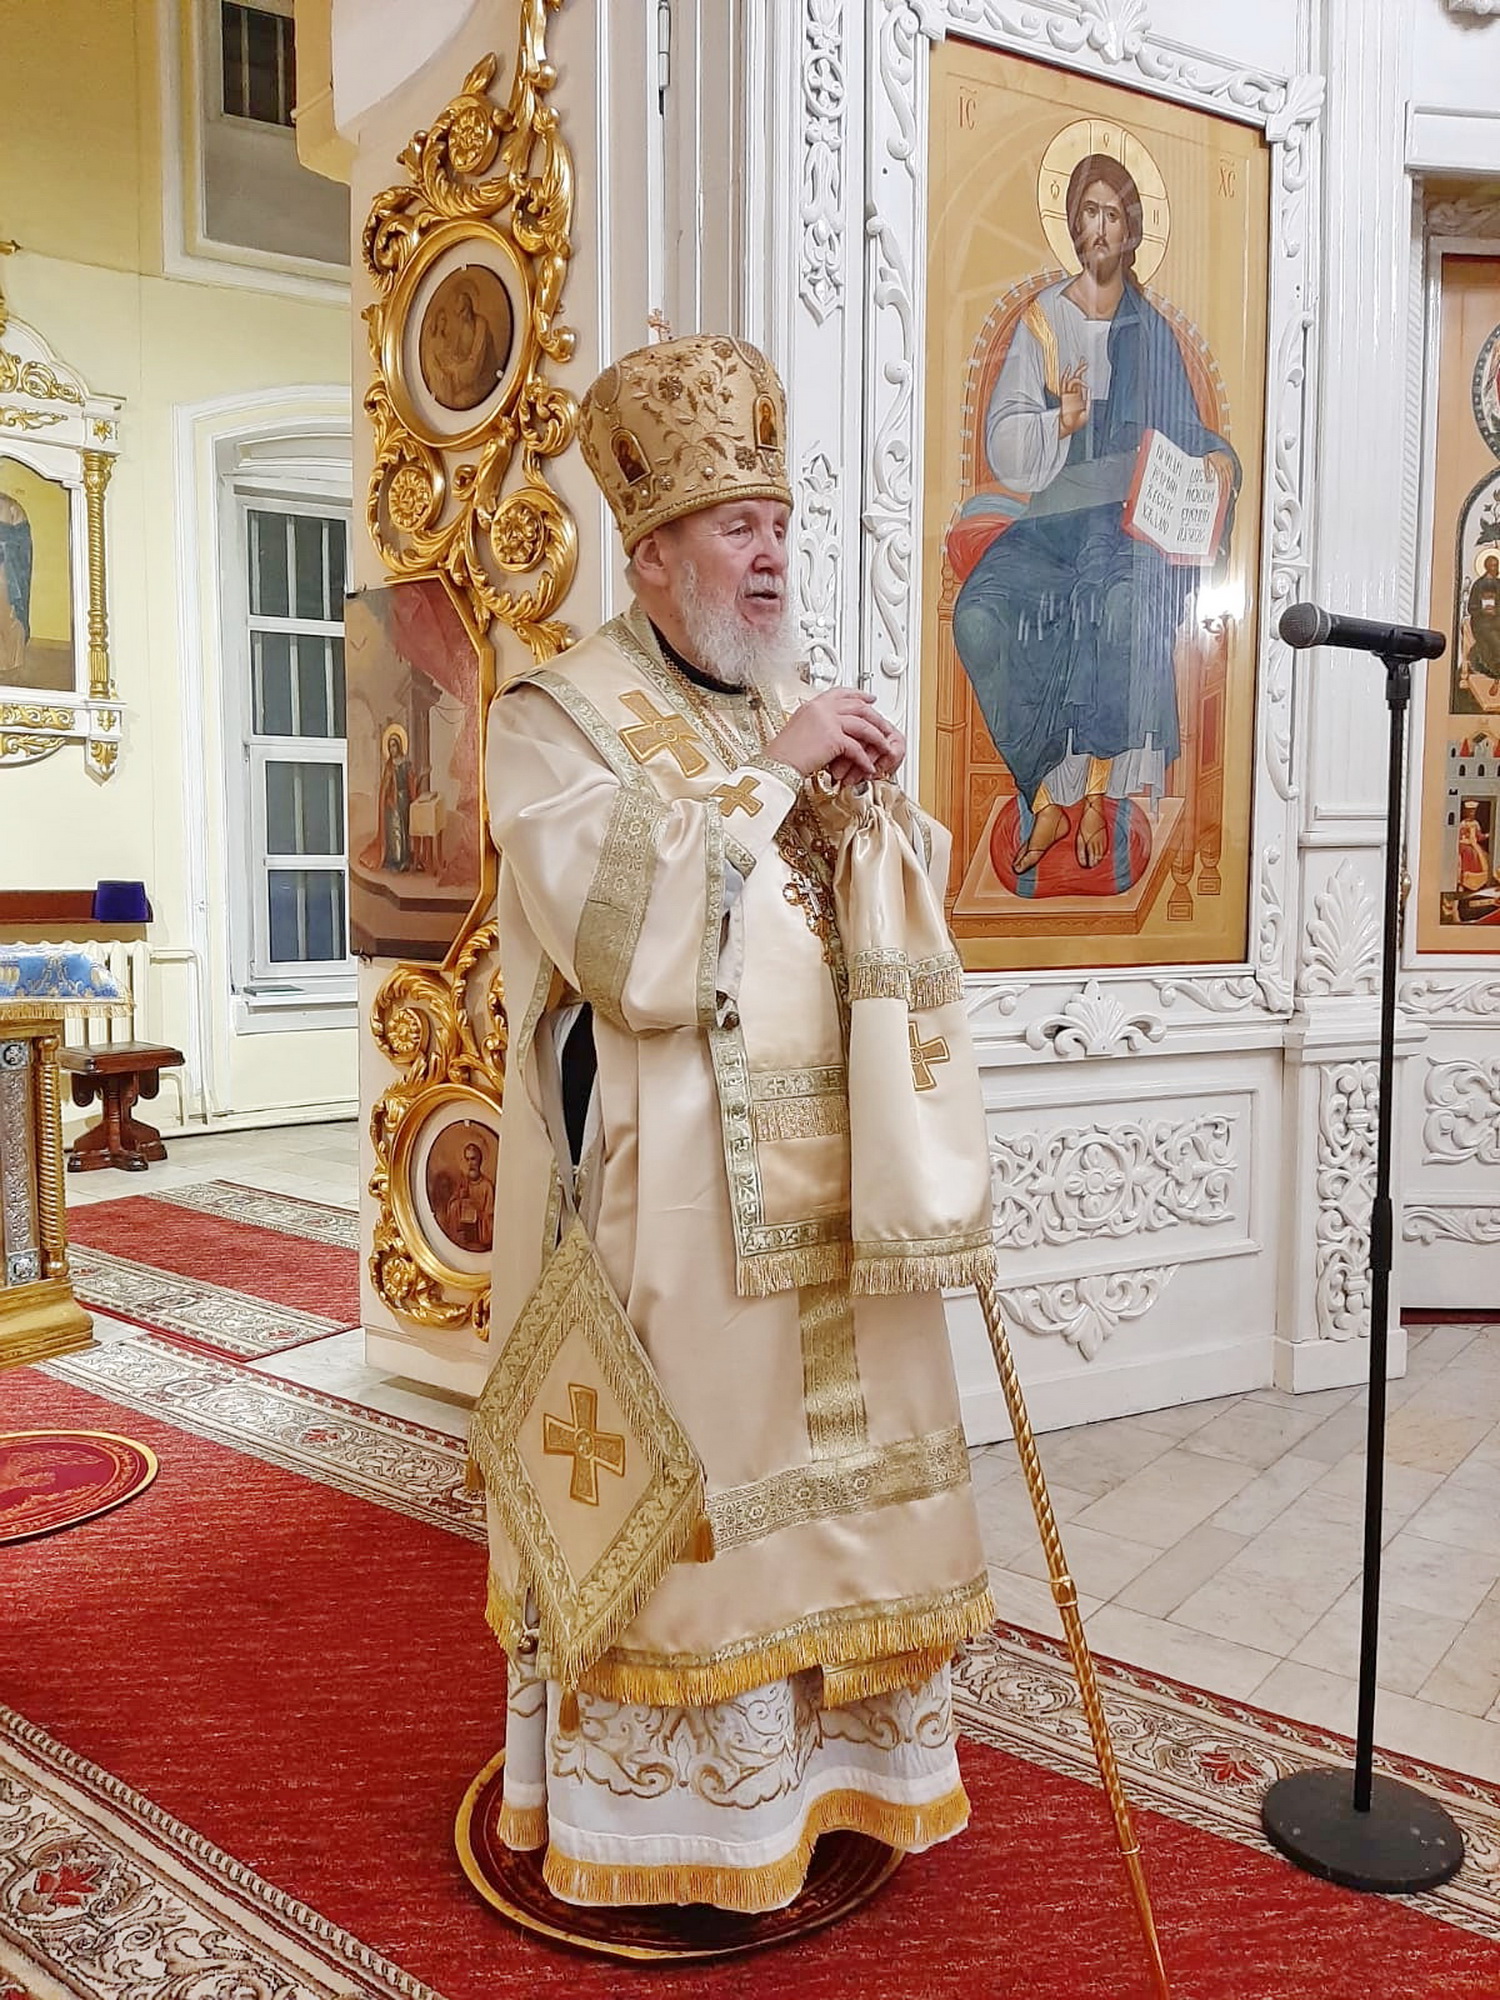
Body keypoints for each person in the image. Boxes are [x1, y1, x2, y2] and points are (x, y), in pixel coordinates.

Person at [472, 335, 994, 1914]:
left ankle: (830, 1783)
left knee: (844, 1494)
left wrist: (875, 819)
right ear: (651, 553)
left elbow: (881, 908)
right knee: (711, 1505)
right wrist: (772, 779)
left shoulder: (781, 695)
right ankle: (682, 1830)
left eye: (778, 524)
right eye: (735, 528)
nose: (771, 554)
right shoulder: (555, 717)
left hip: (838, 1197)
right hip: (677, 1214)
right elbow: (621, 946)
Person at [952, 152, 1238, 877]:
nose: (1100, 227)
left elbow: (1187, 431)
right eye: (1089, 211)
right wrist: (1062, 421)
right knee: (978, 616)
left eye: (1113, 214)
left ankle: (1098, 800)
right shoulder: (1044, 322)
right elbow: (1004, 437)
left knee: (1118, 612)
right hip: (1052, 521)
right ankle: (1046, 791)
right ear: (1073, 223)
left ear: (1131, 230)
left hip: (1126, 525)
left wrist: (1218, 461)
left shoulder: (1151, 331)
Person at [441, 1139, 494, 1251]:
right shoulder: (463, 1183)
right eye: (467, 1159)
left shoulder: (487, 1186)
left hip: (480, 1238)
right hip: (463, 1239)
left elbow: (490, 1217)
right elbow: (452, 1207)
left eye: (473, 1159)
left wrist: (476, 1212)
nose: (470, 1163)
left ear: (479, 1160)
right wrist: (459, 1201)